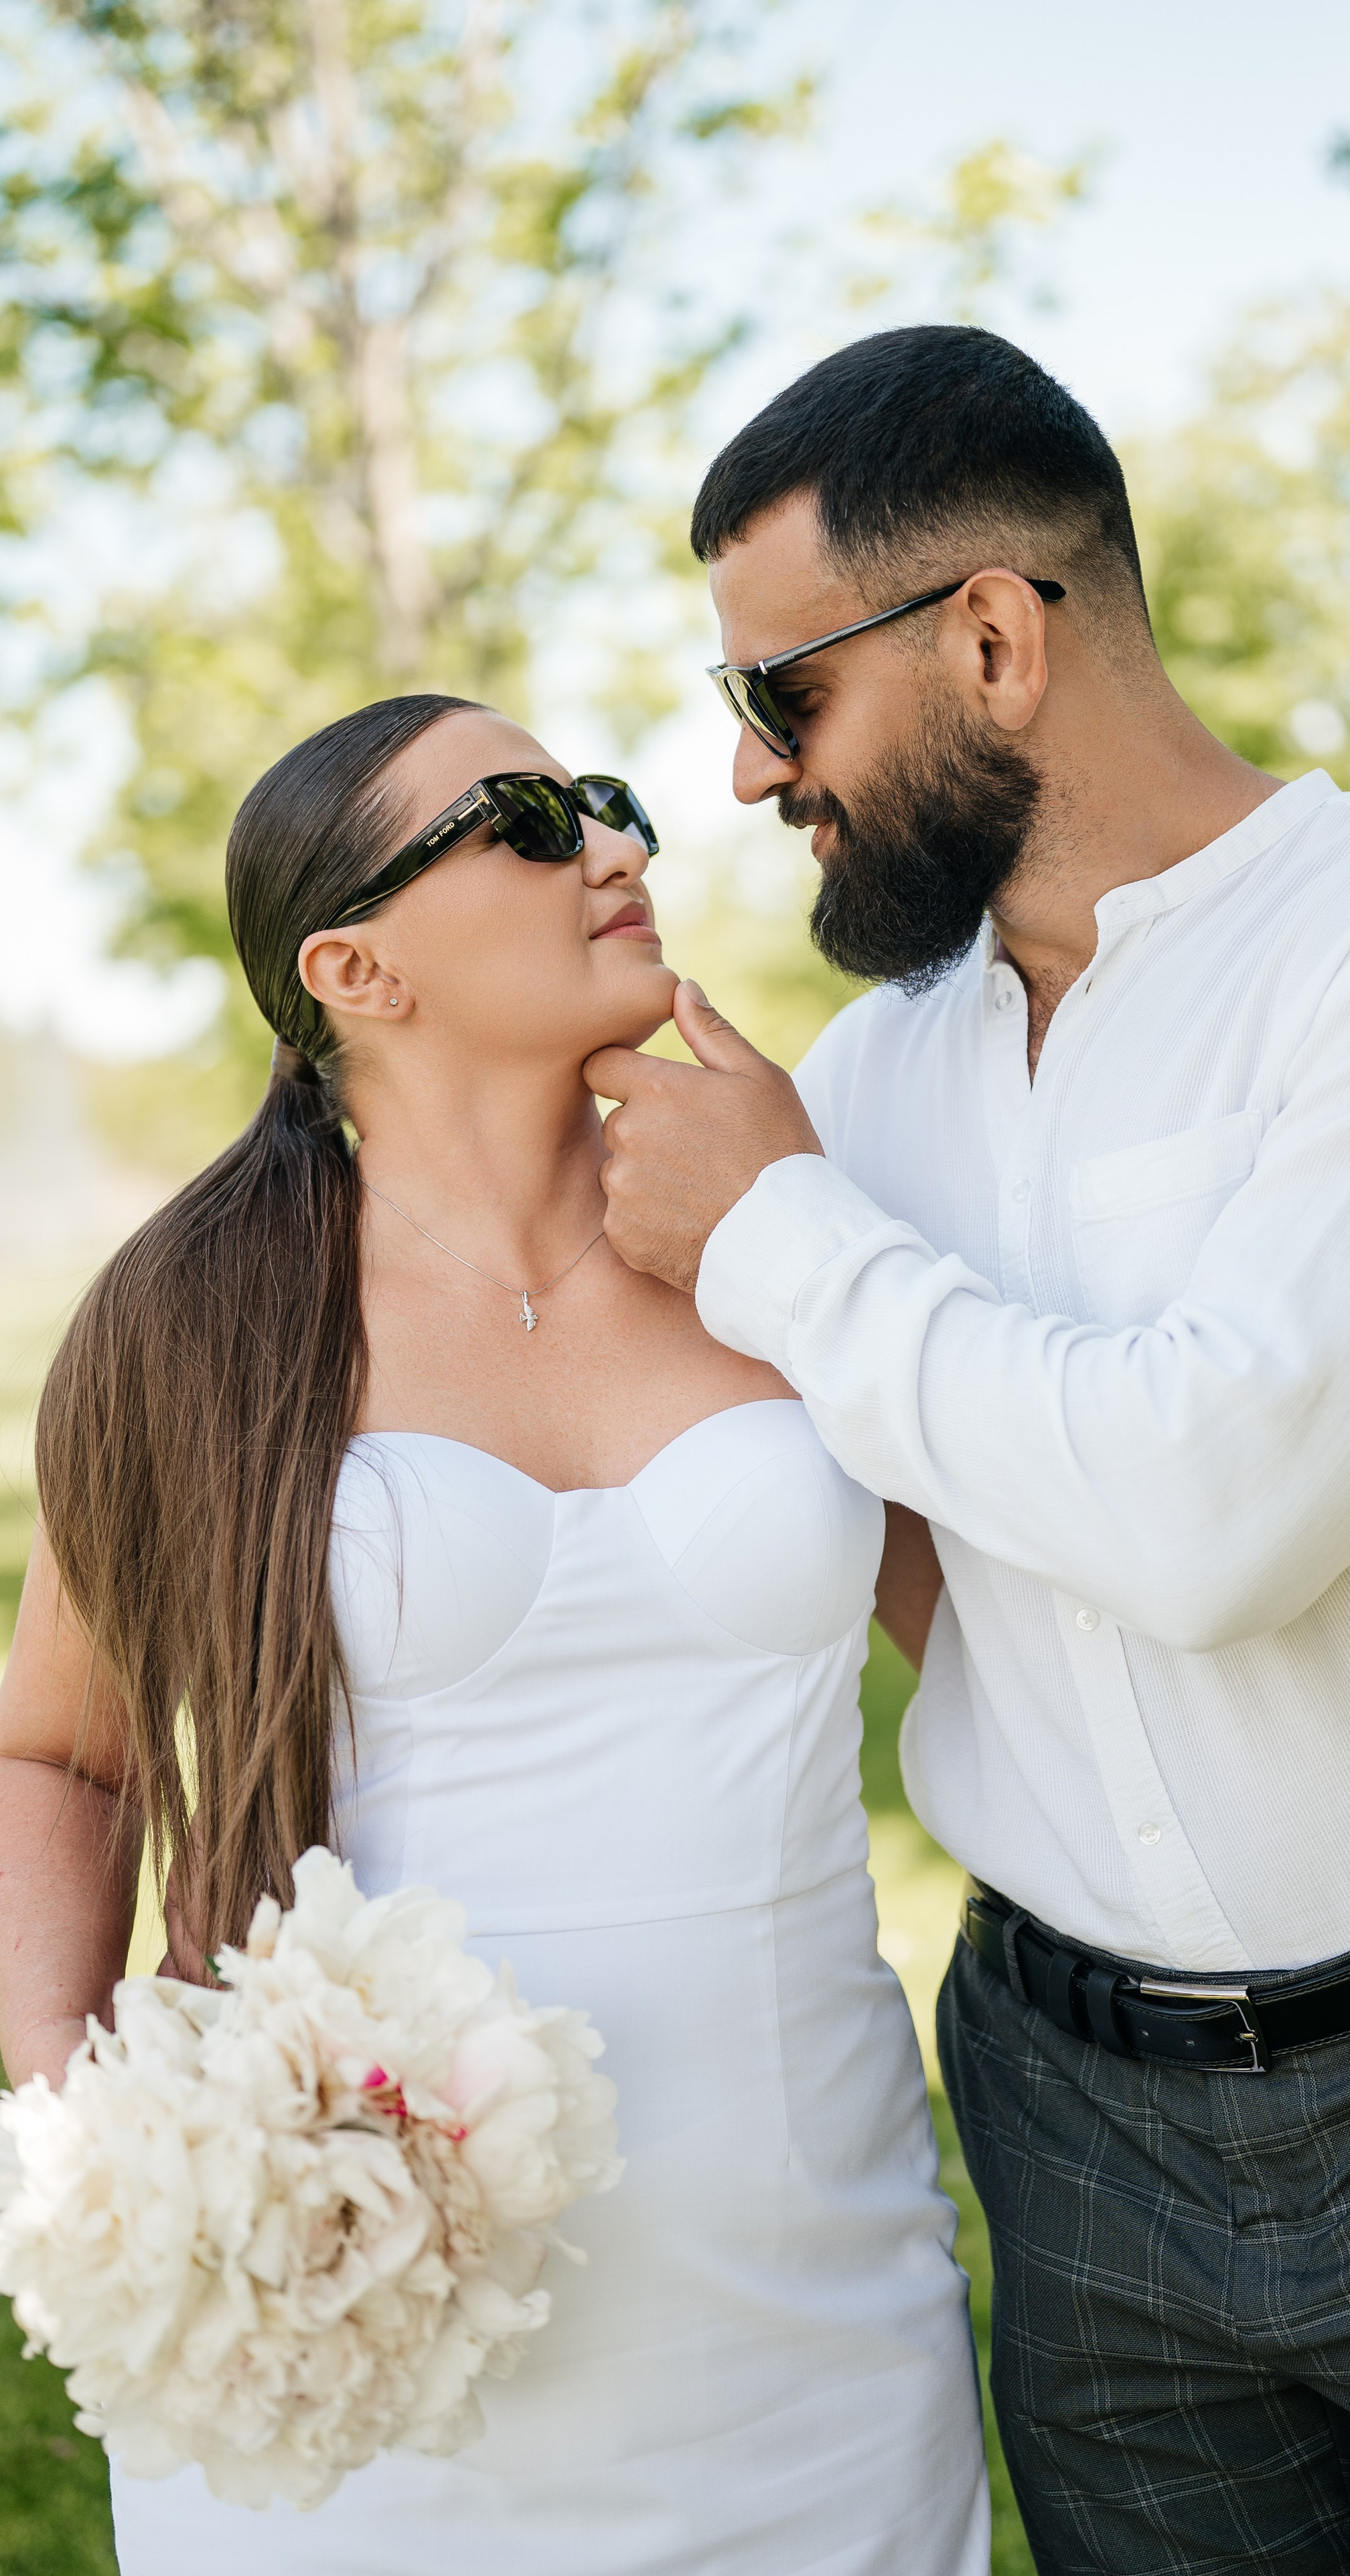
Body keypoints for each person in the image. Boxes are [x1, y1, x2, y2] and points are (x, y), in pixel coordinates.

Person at [588, 325, 1350, 2573]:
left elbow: (1217, 1513)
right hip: (1071, 2110)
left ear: (993, 636)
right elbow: (921, 1551)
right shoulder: (876, 1083)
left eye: (777, 698)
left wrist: (782, 1234)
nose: (745, 783)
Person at [0, 694, 989, 2576]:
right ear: (355, 965)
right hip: (358, 2319)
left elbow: (1002, 1649)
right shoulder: (191, 1321)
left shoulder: (780, 1238)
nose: (618, 845)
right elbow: (60, 1745)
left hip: (805, 2316)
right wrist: (87, 2114)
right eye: (530, 821)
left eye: (607, 803)